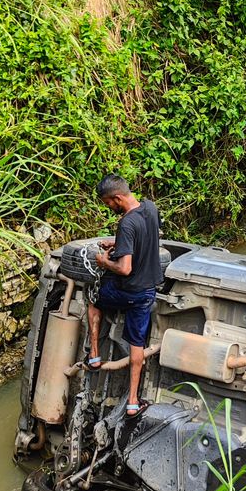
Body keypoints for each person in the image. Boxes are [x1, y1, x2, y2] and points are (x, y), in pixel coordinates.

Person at [85, 173, 162, 419]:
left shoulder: (126, 223)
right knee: (136, 343)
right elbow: (149, 237)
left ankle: (94, 356)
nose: (108, 207)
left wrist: (104, 260)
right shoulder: (149, 207)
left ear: (117, 197)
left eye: (108, 202)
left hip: (128, 291)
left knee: (93, 298)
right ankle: (132, 403)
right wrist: (118, 245)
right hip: (147, 291)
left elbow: (125, 268)